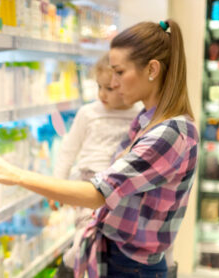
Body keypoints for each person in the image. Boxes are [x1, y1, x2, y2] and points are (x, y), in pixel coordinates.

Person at [0, 19, 198, 278]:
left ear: (152, 69)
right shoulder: (146, 121)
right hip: (118, 257)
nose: (114, 84)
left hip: (133, 267)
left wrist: (19, 176)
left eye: (119, 72)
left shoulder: (170, 133)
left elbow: (99, 193)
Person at [52, 54, 140, 276]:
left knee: (109, 243)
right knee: (84, 235)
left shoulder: (137, 116)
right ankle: (68, 268)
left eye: (109, 88)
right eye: (99, 87)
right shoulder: (88, 112)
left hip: (120, 189)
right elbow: (68, 151)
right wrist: (56, 187)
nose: (102, 94)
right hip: (88, 184)